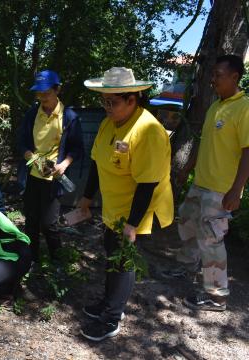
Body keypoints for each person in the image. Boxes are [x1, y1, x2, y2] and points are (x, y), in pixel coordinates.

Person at [78, 67, 174, 341]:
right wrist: (86, 198)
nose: (107, 107)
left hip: (137, 208)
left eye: (113, 102)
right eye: (104, 101)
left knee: (123, 261)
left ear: (133, 99)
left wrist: (133, 223)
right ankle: (108, 303)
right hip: (113, 206)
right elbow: (97, 162)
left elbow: (147, 184)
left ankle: (112, 317)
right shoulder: (109, 123)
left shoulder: (148, 131)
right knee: (110, 252)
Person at [161, 55, 249, 312]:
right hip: (201, 182)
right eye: (212, 74)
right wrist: (188, 168)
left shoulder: (244, 108)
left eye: (218, 75)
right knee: (187, 222)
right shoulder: (215, 106)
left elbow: (248, 151)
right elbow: (204, 142)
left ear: (234, 77)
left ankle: (216, 296)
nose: (213, 80)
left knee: (211, 240)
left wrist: (236, 190)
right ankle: (186, 268)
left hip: (222, 189)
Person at [18, 70, 83, 262]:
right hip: (32, 175)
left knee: (49, 224)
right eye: (39, 93)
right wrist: (29, 155)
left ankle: (57, 259)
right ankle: (31, 258)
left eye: (46, 92)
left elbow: (77, 149)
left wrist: (64, 164)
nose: (42, 97)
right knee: (31, 221)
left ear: (58, 89)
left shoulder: (69, 117)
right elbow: (21, 142)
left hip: (53, 179)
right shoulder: (32, 114)